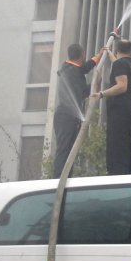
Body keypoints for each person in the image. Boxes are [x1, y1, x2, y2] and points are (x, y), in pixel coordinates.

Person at [52, 43, 102, 178]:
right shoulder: (71, 71)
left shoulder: (69, 69)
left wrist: (97, 58)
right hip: (66, 117)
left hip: (67, 116)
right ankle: (58, 181)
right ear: (82, 54)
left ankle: (64, 179)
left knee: (69, 151)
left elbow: (83, 76)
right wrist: (95, 83)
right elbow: (83, 89)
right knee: (64, 150)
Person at [92, 38, 131, 175]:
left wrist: (101, 94)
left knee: (117, 151)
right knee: (127, 151)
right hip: (129, 113)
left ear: (118, 51)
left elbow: (122, 86)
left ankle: (117, 177)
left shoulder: (120, 65)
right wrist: (109, 53)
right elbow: (118, 64)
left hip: (120, 114)